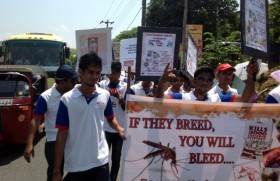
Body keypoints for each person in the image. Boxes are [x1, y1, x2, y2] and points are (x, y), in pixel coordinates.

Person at [53, 53, 125, 181]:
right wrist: (57, 170)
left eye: (98, 73)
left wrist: (119, 128)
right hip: (76, 165)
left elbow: (110, 117)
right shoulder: (67, 99)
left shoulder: (104, 95)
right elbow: (62, 134)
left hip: (101, 162)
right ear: (80, 72)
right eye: (91, 72)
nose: (95, 77)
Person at [24, 65, 79, 181]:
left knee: (77, 172)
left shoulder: (76, 93)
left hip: (73, 140)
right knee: (55, 173)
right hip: (54, 141)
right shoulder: (46, 97)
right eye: (73, 81)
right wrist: (29, 144)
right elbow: (36, 120)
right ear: (62, 82)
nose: (76, 83)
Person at [155, 57, 259, 103]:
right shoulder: (182, 97)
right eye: (201, 79)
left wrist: (250, 76)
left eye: (209, 80)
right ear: (194, 82)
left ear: (211, 84)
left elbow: (245, 99)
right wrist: (161, 83)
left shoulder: (218, 99)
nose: (205, 82)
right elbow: (159, 100)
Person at [99, 62, 126, 181]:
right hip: (105, 128)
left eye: (114, 73)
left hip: (119, 130)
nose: (111, 75)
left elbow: (127, 109)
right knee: (103, 158)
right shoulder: (102, 85)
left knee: (116, 159)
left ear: (119, 74)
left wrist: (120, 98)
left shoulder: (125, 87)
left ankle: (113, 178)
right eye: (109, 73)